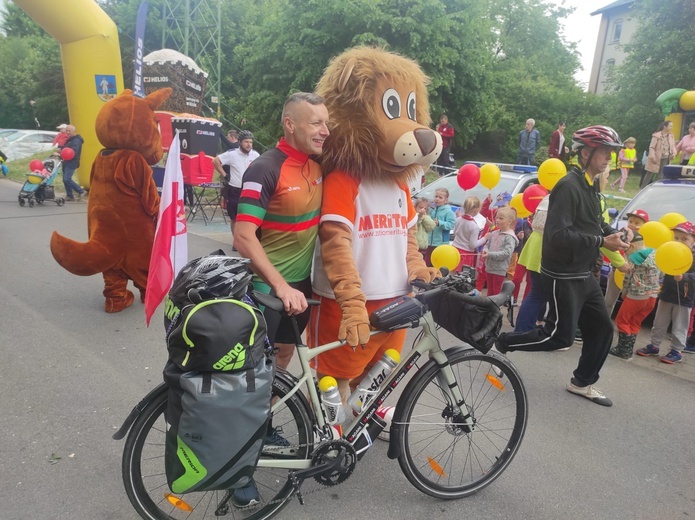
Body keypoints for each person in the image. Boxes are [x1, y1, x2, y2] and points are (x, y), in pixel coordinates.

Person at [233, 92, 328, 508]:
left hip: (299, 292)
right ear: (290, 124)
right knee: (251, 380)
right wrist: (279, 285)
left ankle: (263, 424)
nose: (325, 130)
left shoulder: (319, 164)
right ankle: (237, 471)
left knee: (282, 364)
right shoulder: (264, 167)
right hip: (265, 294)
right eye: (315, 123)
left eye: (327, 122)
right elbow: (242, 235)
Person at [496, 125, 630, 407]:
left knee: (602, 329)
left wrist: (614, 235)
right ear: (585, 153)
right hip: (563, 273)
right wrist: (601, 240)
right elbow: (558, 235)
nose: (609, 158)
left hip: (583, 272)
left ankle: (582, 382)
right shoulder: (568, 186)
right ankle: (505, 342)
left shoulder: (589, 185)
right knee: (558, 337)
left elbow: (593, 223)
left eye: (610, 153)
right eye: (604, 152)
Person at [635, 221, 695, 364]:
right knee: (659, 322)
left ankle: (676, 351)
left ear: (693, 241)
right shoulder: (669, 251)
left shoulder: (693, 257)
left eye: (684, 239)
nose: (679, 241)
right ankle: (654, 345)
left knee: (680, 326)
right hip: (666, 294)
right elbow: (661, 265)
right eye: (676, 238)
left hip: (684, 299)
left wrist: (684, 277)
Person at [608, 233, 659, 360]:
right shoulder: (655, 254)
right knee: (635, 322)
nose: (624, 252)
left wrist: (624, 291)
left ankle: (623, 350)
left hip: (637, 295)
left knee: (622, 320)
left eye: (624, 248)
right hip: (652, 296)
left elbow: (628, 276)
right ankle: (628, 349)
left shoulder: (634, 258)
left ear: (631, 245)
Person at [213, 130, 260, 235]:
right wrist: (225, 175)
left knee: (249, 218)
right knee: (235, 218)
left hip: (249, 191)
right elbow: (215, 161)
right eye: (246, 142)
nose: (249, 145)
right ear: (240, 142)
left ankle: (249, 239)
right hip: (235, 190)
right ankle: (237, 241)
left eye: (251, 142)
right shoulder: (232, 154)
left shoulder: (256, 155)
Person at [605, 209, 648, 315]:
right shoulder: (621, 235)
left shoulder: (645, 241)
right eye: (630, 221)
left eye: (637, 223)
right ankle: (604, 322)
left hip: (634, 277)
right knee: (608, 301)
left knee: (630, 304)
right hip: (617, 273)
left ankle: (624, 327)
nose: (632, 225)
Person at [481, 207, 518, 296]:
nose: (497, 220)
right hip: (489, 267)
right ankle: (488, 309)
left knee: (496, 293)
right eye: (497, 217)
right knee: (489, 292)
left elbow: (506, 253)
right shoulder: (494, 233)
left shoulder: (509, 237)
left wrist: (489, 254)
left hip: (499, 269)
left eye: (501, 218)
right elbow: (487, 245)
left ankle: (494, 309)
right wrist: (485, 250)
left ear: (509, 221)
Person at [451, 196, 487, 270]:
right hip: (466, 254)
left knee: (452, 273)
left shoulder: (458, 219)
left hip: (454, 250)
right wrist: (485, 238)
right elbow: (473, 245)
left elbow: (455, 233)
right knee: (463, 276)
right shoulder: (474, 226)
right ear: (476, 209)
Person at [425, 188, 456, 265]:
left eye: (440, 197)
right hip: (429, 242)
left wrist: (440, 223)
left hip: (440, 243)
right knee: (427, 263)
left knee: (438, 264)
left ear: (446, 200)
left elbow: (451, 225)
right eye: (436, 196)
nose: (437, 199)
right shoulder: (432, 209)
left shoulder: (448, 211)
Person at [640, 120, 676, 188]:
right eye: (670, 126)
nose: (671, 127)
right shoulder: (656, 136)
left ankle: (656, 188)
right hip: (656, 157)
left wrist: (673, 153)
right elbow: (652, 147)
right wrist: (652, 156)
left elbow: (673, 146)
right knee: (650, 172)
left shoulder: (671, 136)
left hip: (666, 157)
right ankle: (643, 187)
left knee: (661, 173)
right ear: (665, 126)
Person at [62, 125, 87, 201]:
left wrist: (64, 154)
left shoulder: (76, 141)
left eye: (69, 131)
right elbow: (65, 150)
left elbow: (74, 152)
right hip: (65, 161)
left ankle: (81, 191)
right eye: (67, 131)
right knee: (65, 179)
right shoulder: (70, 140)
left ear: (74, 131)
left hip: (72, 162)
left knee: (67, 179)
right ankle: (69, 195)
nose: (67, 132)